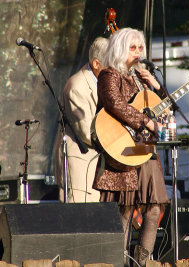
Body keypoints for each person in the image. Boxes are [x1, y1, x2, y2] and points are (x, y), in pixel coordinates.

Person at [92, 28, 169, 266]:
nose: (137, 53)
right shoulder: (110, 74)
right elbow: (113, 103)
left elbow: (164, 107)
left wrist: (156, 86)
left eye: (140, 48)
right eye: (132, 48)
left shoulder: (142, 77)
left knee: (154, 209)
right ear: (119, 49)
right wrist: (144, 120)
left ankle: (142, 262)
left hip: (145, 147)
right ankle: (120, 262)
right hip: (122, 149)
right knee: (124, 211)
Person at [53, 37, 109, 203]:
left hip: (98, 161)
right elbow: (87, 132)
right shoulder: (76, 87)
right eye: (110, 63)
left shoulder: (105, 82)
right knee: (80, 222)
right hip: (81, 162)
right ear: (96, 64)